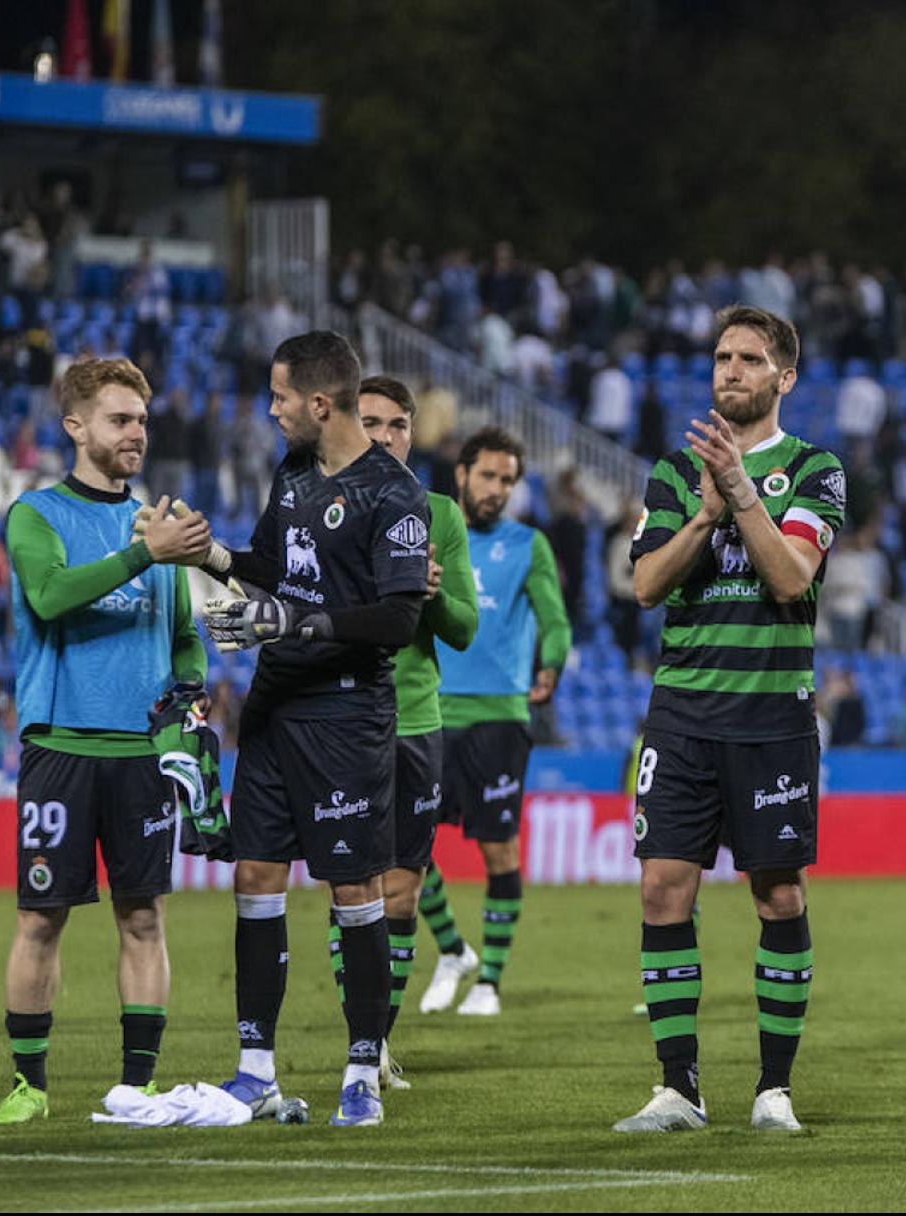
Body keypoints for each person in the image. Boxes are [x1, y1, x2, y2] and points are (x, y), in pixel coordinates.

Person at [191, 330, 430, 1129]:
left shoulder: (395, 495)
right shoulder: (292, 471)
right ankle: (254, 1069)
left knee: (352, 891)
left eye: (281, 396)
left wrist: (298, 626)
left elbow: (399, 616)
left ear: (320, 403)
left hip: (346, 715)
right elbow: (269, 562)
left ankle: (362, 1070)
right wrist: (214, 556)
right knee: (255, 879)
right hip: (273, 708)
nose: (272, 408)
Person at [616, 305, 845, 1135]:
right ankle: (679, 1088)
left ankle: (773, 1089)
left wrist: (742, 493)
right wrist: (709, 511)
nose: (730, 371)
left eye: (749, 359)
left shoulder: (817, 469)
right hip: (681, 713)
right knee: (661, 888)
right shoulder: (676, 473)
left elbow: (790, 579)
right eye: (721, 357)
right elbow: (644, 586)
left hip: (772, 718)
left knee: (779, 894)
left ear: (784, 376)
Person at [0, 356, 210, 1125]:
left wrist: (190, 700)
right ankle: (28, 1086)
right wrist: (146, 552)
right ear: (76, 427)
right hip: (63, 748)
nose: (136, 432)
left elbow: (185, 635)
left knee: (144, 918)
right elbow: (49, 598)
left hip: (141, 754)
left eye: (141, 420)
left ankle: (138, 1084)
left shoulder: (158, 521)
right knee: (41, 918)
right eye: (120, 419)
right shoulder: (36, 514)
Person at [354, 374, 479, 1085]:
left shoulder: (439, 515)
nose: (384, 437)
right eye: (369, 422)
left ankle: (372, 1052)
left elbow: (464, 628)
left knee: (399, 895)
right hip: (343, 719)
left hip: (417, 722)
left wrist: (430, 596)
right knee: (351, 891)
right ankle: (357, 1046)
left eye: (396, 425)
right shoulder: (321, 507)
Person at [424, 426, 571, 1017]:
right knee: (402, 848)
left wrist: (552, 664)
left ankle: (489, 982)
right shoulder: (431, 534)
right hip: (429, 711)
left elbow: (555, 620)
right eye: (488, 475)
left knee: (499, 851)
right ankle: (453, 948)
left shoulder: (527, 545)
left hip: (501, 717)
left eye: (507, 480)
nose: (498, 489)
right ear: (461, 474)